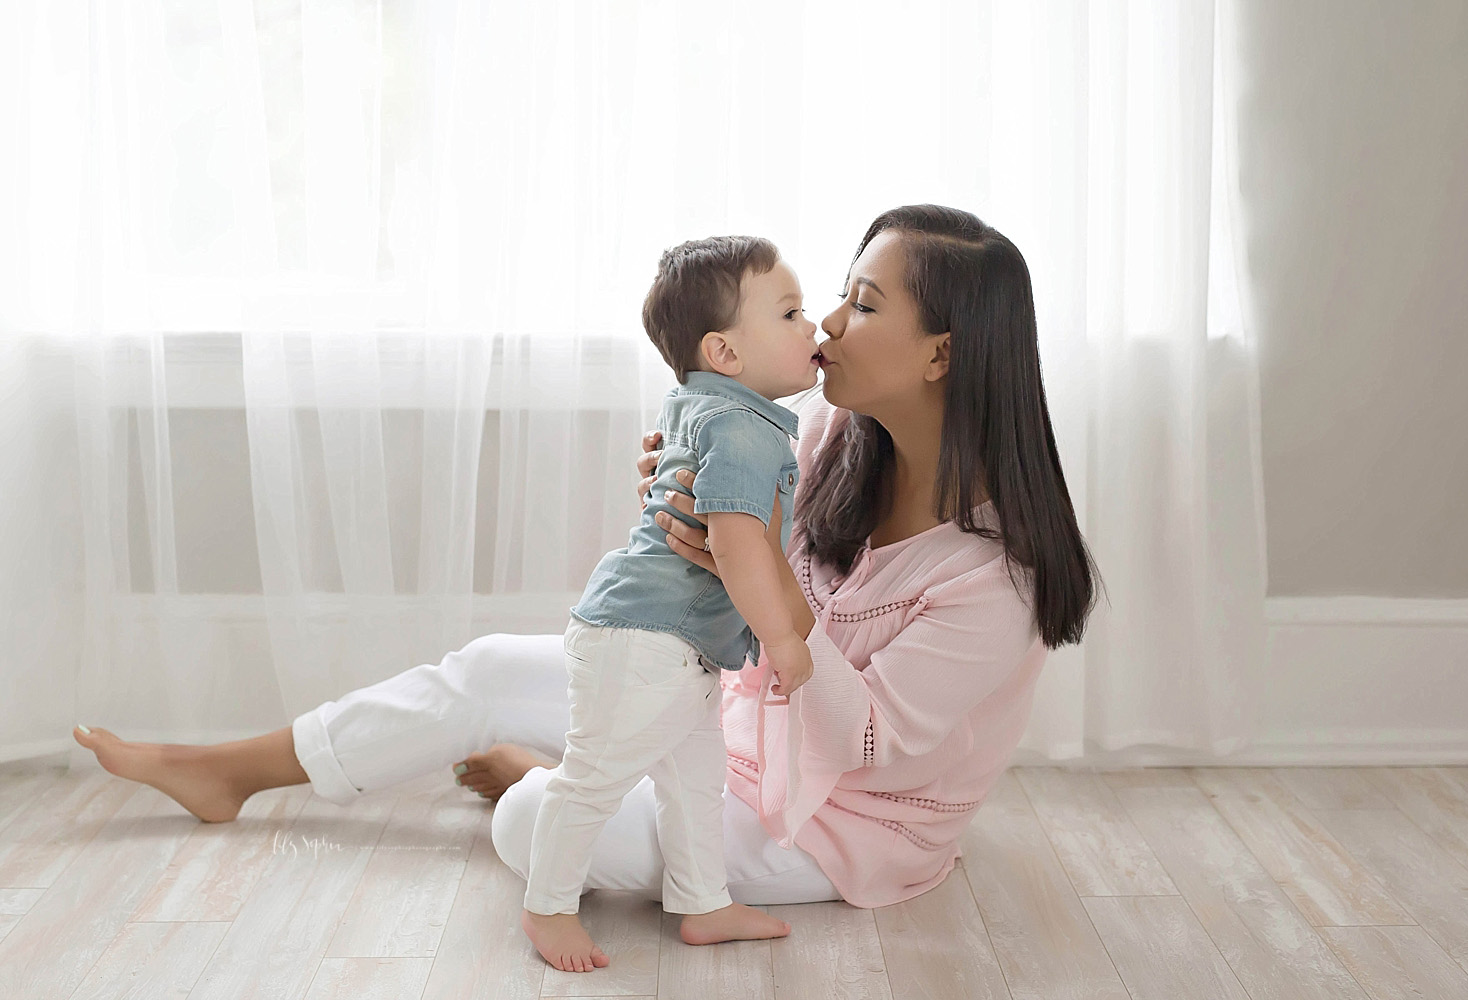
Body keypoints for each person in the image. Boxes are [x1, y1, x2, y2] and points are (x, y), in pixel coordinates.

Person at [70, 202, 1101, 967]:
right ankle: (229, 770)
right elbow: (759, 585)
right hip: (727, 709)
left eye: (862, 303)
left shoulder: (994, 577)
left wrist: (763, 589)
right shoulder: (831, 436)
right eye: (833, 292)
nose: (826, 321)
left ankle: (561, 774)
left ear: (943, 355)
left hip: (828, 826)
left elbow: (862, 743)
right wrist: (701, 503)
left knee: (536, 825)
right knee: (484, 667)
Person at [520, 235, 822, 972]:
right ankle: (547, 907)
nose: (813, 328)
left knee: (694, 779)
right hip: (643, 639)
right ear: (724, 352)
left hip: (673, 643)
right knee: (593, 776)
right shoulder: (746, 432)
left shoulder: (708, 407)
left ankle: (702, 901)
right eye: (790, 313)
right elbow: (738, 546)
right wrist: (783, 640)